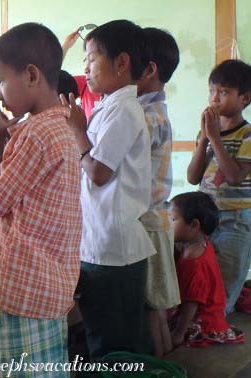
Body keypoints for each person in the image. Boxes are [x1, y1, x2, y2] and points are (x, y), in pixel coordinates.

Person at [0, 22, 82, 375]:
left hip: (26, 281)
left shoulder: (35, 134)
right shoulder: (53, 128)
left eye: (0, 80)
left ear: (31, 75)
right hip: (42, 280)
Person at [61, 19, 154, 359]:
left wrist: (77, 132)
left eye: (92, 57)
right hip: (99, 243)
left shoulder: (125, 110)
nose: (86, 66)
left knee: (116, 344)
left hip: (113, 249)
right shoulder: (107, 107)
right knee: (103, 335)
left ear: (121, 62)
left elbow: (98, 173)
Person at [186, 59, 251, 314]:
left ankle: (218, 326)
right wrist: (203, 141)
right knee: (202, 276)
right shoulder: (207, 133)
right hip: (206, 218)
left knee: (226, 281)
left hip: (236, 220)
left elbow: (235, 177)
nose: (214, 99)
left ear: (245, 97)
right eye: (211, 91)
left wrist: (215, 140)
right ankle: (203, 325)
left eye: (224, 92)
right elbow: (193, 177)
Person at [136, 27, 182, 357]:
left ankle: (162, 367)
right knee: (155, 313)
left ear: (149, 69)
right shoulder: (156, 112)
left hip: (147, 224)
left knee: (149, 312)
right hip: (157, 219)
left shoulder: (142, 115)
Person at [169, 191, 245, 347]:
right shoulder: (202, 243)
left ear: (194, 225)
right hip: (213, 318)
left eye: (173, 220)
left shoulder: (193, 261)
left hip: (203, 326)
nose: (168, 225)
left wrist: (179, 333)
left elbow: (191, 303)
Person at [61, 29, 101, 118]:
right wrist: (66, 46)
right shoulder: (87, 83)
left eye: (92, 60)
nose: (86, 69)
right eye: (86, 61)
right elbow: (52, 75)